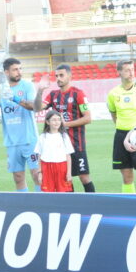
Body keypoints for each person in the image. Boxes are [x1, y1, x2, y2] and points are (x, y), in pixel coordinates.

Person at [33, 64, 95, 192]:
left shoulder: (78, 94)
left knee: (84, 177)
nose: (58, 78)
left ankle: (93, 205)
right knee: (65, 179)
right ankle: (71, 208)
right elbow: (38, 108)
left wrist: (64, 124)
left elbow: (88, 118)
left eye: (61, 75)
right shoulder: (53, 95)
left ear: (69, 76)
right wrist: (40, 90)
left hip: (77, 144)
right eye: (56, 76)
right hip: (59, 147)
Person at [0, 57, 40, 192]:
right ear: (6, 72)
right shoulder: (0, 89)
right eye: (15, 69)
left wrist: (14, 98)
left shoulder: (27, 86)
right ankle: (25, 206)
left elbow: (34, 106)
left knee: (37, 175)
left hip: (29, 139)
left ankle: (41, 206)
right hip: (12, 142)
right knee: (18, 177)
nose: (19, 72)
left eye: (20, 69)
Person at [107, 60, 136, 193]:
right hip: (121, 135)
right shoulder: (113, 93)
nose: (131, 73)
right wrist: (123, 129)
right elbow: (114, 115)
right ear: (119, 72)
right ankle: (131, 206)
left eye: (132, 69)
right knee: (127, 177)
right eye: (127, 70)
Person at [33, 110, 74, 192]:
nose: (57, 122)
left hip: (61, 167)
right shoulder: (43, 137)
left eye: (59, 119)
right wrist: (40, 173)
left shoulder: (64, 136)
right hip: (47, 168)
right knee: (48, 193)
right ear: (48, 122)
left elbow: (68, 156)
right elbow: (39, 156)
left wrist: (69, 172)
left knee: (63, 192)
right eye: (54, 120)